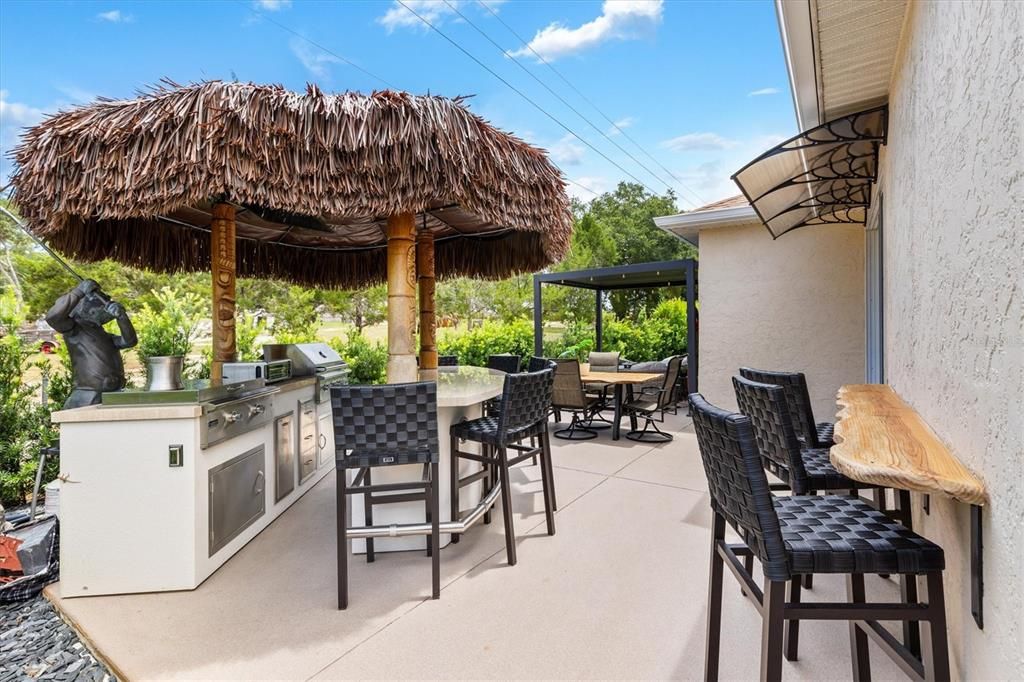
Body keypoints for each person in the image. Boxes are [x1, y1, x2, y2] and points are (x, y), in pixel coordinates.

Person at [45, 279, 137, 409]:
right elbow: (53, 317)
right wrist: (79, 291)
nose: (106, 304)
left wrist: (122, 318)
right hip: (88, 397)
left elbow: (129, 341)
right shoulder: (74, 329)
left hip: (112, 395)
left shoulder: (103, 334)